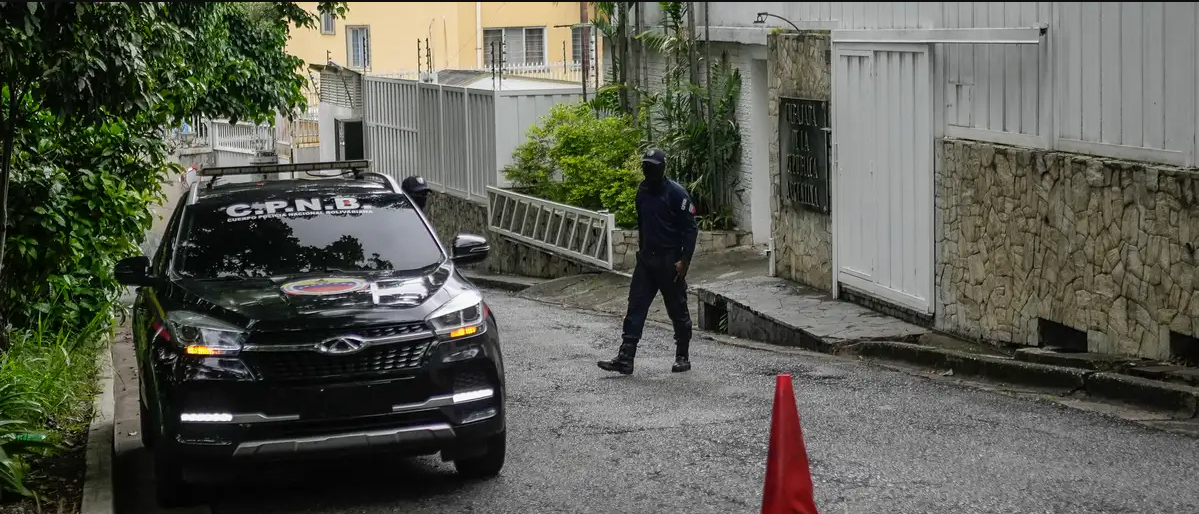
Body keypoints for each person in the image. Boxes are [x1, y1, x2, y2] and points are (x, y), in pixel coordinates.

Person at [598, 148, 698, 375]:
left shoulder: (677, 194)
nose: (647, 170)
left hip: (669, 261)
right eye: (645, 165)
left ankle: (682, 356)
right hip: (646, 261)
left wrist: (685, 260)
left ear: (661, 169)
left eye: (651, 166)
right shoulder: (642, 191)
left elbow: (690, 229)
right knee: (636, 307)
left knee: (677, 309)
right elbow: (642, 224)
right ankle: (626, 358)